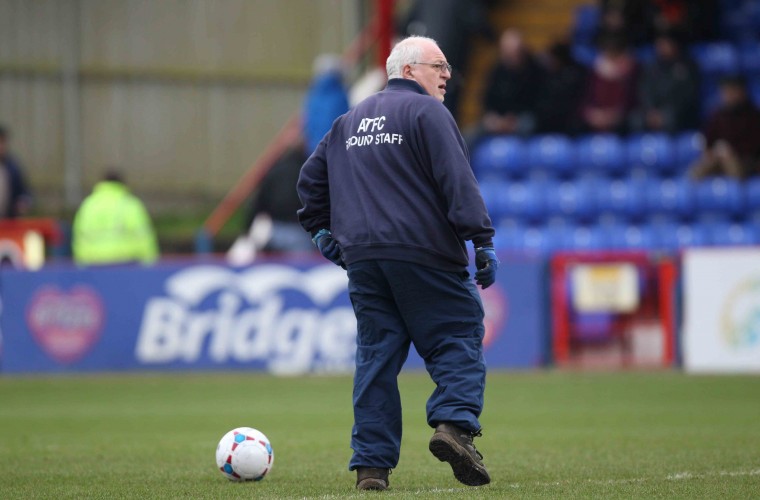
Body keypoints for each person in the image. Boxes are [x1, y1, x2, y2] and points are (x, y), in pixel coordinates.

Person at [297, 36, 498, 491]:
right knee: (457, 336)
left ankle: (371, 467)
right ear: (407, 70)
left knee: (376, 360)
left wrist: (324, 234)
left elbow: (309, 183)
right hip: (424, 252)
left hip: (364, 261)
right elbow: (457, 179)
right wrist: (481, 240)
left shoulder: (347, 122)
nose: (448, 74)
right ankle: (454, 427)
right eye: (439, 65)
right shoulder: (429, 113)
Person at [72, 170, 159, 265]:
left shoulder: (89, 204)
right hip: (125, 262)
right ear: (122, 184)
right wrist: (150, 260)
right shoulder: (129, 204)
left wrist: (79, 262)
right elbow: (143, 234)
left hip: (92, 262)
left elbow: (79, 234)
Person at [690, 75, 760, 180]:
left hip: (744, 162)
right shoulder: (717, 114)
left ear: (742, 92)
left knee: (730, 163)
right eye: (725, 91)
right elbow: (707, 141)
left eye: (732, 91)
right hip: (718, 158)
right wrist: (715, 151)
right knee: (697, 171)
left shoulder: (753, 116)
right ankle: (689, 192)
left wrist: (730, 151)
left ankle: (736, 193)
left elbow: (754, 147)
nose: (728, 95)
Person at [631, 30, 701, 133]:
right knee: (635, 119)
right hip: (653, 111)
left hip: (676, 112)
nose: (661, 48)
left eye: (665, 44)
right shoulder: (651, 67)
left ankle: (674, 148)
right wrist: (651, 110)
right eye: (659, 44)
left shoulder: (688, 66)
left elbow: (688, 96)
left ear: (674, 45)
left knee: (670, 119)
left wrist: (665, 113)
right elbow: (644, 90)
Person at [579, 33, 639, 135]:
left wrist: (614, 115)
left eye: (614, 52)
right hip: (597, 114)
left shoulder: (632, 71)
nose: (610, 55)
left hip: (621, 116)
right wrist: (592, 113)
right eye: (607, 51)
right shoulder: (595, 70)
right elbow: (587, 95)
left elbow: (632, 98)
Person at [535, 41, 588, 135]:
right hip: (547, 121)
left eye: (552, 58)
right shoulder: (544, 75)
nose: (549, 61)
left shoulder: (574, 76)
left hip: (568, 122)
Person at [303, 54, 350, 156]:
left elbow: (307, 123)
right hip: (335, 149)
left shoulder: (313, 95)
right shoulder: (340, 95)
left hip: (313, 149)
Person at [0, 125, 32, 219]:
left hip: (8, 223)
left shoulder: (13, 168)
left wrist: (24, 201)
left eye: (2, 142)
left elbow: (25, 192)